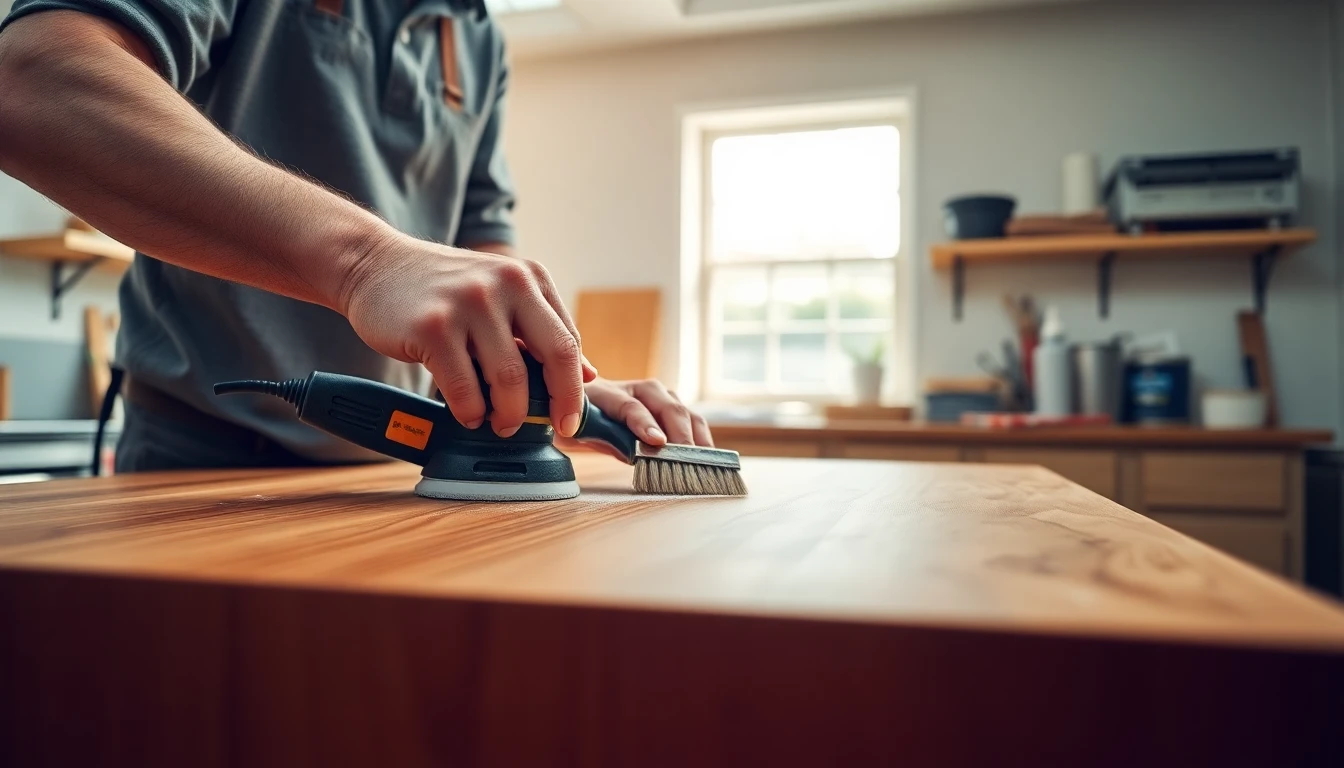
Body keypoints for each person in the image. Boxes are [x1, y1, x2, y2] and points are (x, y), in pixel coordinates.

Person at [0, 0, 713, 471]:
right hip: (199, 456)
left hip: (397, 464)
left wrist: (547, 385)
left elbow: (477, 243)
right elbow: (31, 80)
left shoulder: (478, 37)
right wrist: (366, 264)